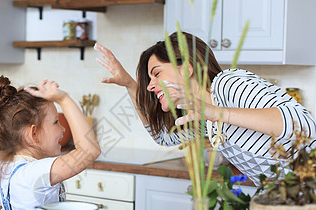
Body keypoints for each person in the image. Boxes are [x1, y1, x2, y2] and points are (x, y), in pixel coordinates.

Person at [94, 32, 316, 186]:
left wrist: (214, 112)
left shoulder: (228, 83)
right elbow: (163, 137)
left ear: (187, 69)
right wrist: (130, 85)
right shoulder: (203, 120)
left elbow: (304, 126)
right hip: (291, 205)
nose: (150, 86)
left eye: (157, 73)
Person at [0, 76, 101, 210]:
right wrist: (64, 99)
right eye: (56, 122)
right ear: (34, 134)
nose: (63, 128)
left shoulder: (7, 171)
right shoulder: (36, 173)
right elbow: (90, 151)